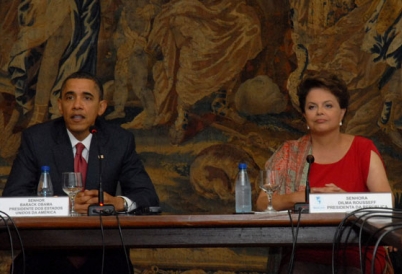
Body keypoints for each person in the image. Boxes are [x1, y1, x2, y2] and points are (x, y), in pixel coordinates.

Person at [3, 71, 159, 274]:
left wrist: (116, 202)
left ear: (101, 107)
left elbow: (148, 197)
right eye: (70, 97)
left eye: (86, 97)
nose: (77, 105)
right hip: (47, 250)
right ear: (60, 105)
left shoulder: (119, 141)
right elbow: (11, 201)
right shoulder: (37, 139)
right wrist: (61, 205)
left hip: (102, 252)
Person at [256, 72, 394, 274]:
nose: (320, 112)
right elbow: (261, 204)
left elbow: (385, 206)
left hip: (356, 249)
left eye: (328, 105)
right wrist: (305, 197)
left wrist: (344, 201)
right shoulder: (289, 152)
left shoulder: (363, 149)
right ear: (305, 115)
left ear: (342, 113)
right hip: (304, 250)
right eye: (312, 107)